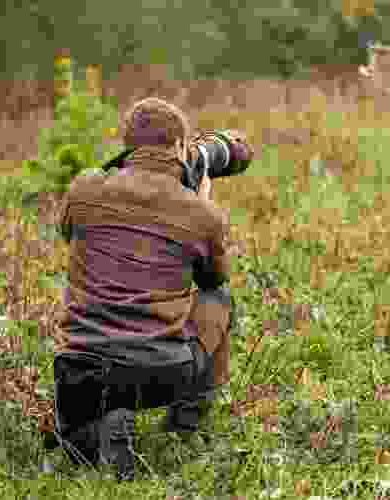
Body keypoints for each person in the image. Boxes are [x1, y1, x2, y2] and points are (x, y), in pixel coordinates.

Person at [43, 97, 254, 481]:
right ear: (179, 147)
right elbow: (212, 279)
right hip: (159, 375)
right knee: (218, 301)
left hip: (78, 371)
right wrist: (198, 204)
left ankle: (98, 423)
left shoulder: (84, 188)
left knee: (81, 449)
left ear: (127, 146)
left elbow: (68, 233)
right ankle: (183, 430)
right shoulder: (198, 213)